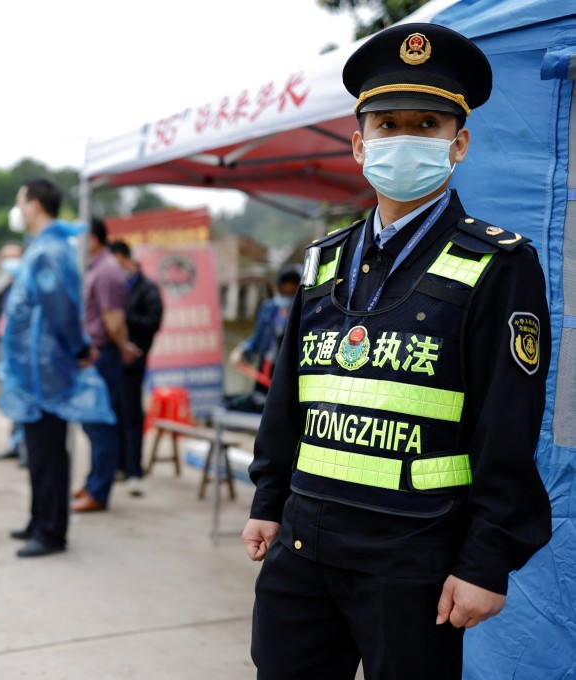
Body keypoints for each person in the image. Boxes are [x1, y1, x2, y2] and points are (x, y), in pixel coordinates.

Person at [242, 24, 552, 679]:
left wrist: (485, 561)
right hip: (304, 543)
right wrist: (268, 500)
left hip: (413, 558)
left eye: (427, 123)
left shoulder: (497, 263)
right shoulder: (323, 262)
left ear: (458, 143)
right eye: (387, 124)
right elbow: (290, 394)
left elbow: (508, 427)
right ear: (359, 144)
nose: (404, 137)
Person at [0, 178, 114, 558]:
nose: (18, 209)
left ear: (34, 205)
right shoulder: (42, 247)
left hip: (47, 371)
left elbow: (61, 309)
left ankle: (51, 531)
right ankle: (38, 519)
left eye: (20, 200)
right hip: (35, 372)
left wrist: (78, 348)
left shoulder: (49, 250)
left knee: (48, 452)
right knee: (38, 450)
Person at [72, 218, 142, 513]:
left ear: (94, 240)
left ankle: (99, 491)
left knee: (101, 423)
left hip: (103, 356)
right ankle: (92, 482)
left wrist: (122, 345)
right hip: (95, 355)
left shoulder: (106, 272)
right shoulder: (95, 268)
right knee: (93, 423)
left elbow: (113, 320)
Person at [109, 240, 163, 497]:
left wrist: (124, 320)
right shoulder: (117, 286)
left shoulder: (147, 288)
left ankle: (133, 470)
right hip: (113, 358)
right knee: (115, 411)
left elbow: (153, 321)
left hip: (135, 358)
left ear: (122, 257)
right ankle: (118, 465)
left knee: (131, 415)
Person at [228, 265, 301, 395]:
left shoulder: (302, 313)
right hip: (265, 370)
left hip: (288, 373)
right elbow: (257, 338)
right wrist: (242, 350)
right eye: (283, 293)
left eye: (291, 294)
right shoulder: (268, 309)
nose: (286, 298)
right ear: (275, 288)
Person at [0, 241, 27, 464]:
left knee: (24, 400)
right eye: (6, 257)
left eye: (15, 256)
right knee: (12, 400)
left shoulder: (26, 287)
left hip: (20, 354)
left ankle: (25, 449)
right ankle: (14, 444)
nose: (10, 262)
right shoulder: (5, 289)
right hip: (3, 351)